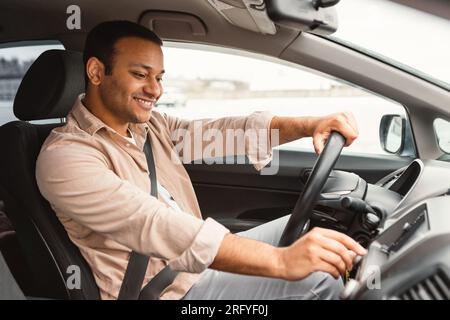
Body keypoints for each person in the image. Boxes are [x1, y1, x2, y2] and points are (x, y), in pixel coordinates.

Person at [36, 20, 365, 300]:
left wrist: (309, 126)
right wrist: (280, 262)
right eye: (141, 74)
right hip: (172, 294)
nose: (156, 90)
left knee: (320, 228)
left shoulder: (149, 127)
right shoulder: (65, 158)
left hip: (193, 270)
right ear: (96, 72)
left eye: (160, 77)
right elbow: (156, 224)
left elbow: (223, 133)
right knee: (318, 278)